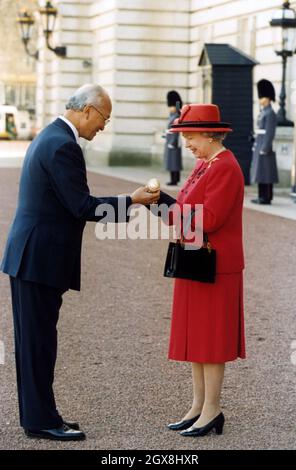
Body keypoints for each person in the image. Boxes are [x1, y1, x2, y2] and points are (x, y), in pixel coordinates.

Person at [0, 84, 160, 441]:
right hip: (38, 258)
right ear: (88, 110)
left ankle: (41, 415)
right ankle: (41, 421)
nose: (104, 126)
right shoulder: (63, 145)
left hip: (31, 256)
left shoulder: (51, 136)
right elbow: (82, 206)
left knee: (34, 343)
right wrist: (132, 200)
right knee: (38, 344)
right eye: (104, 118)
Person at [156, 104, 245, 437]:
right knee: (197, 339)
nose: (187, 143)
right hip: (196, 258)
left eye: (190, 137)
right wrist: (161, 204)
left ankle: (212, 409)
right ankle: (198, 406)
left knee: (211, 340)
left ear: (210, 134)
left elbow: (208, 219)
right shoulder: (206, 163)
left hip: (216, 264)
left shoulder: (226, 167)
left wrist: (162, 205)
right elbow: (185, 209)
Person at [251, 79, 279, 205]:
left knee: (266, 173)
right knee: (260, 173)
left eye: (261, 97)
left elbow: (270, 132)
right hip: (259, 144)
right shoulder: (264, 112)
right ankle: (261, 195)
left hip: (264, 146)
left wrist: (265, 147)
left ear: (267, 98)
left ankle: (266, 197)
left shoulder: (271, 113)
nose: (260, 99)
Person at [164, 91, 183, 186]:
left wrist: (173, 142)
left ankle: (174, 180)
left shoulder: (177, 116)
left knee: (174, 162)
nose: (169, 108)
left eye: (171, 106)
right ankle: (174, 179)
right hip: (169, 140)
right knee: (171, 161)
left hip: (173, 142)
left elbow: (175, 130)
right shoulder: (172, 116)